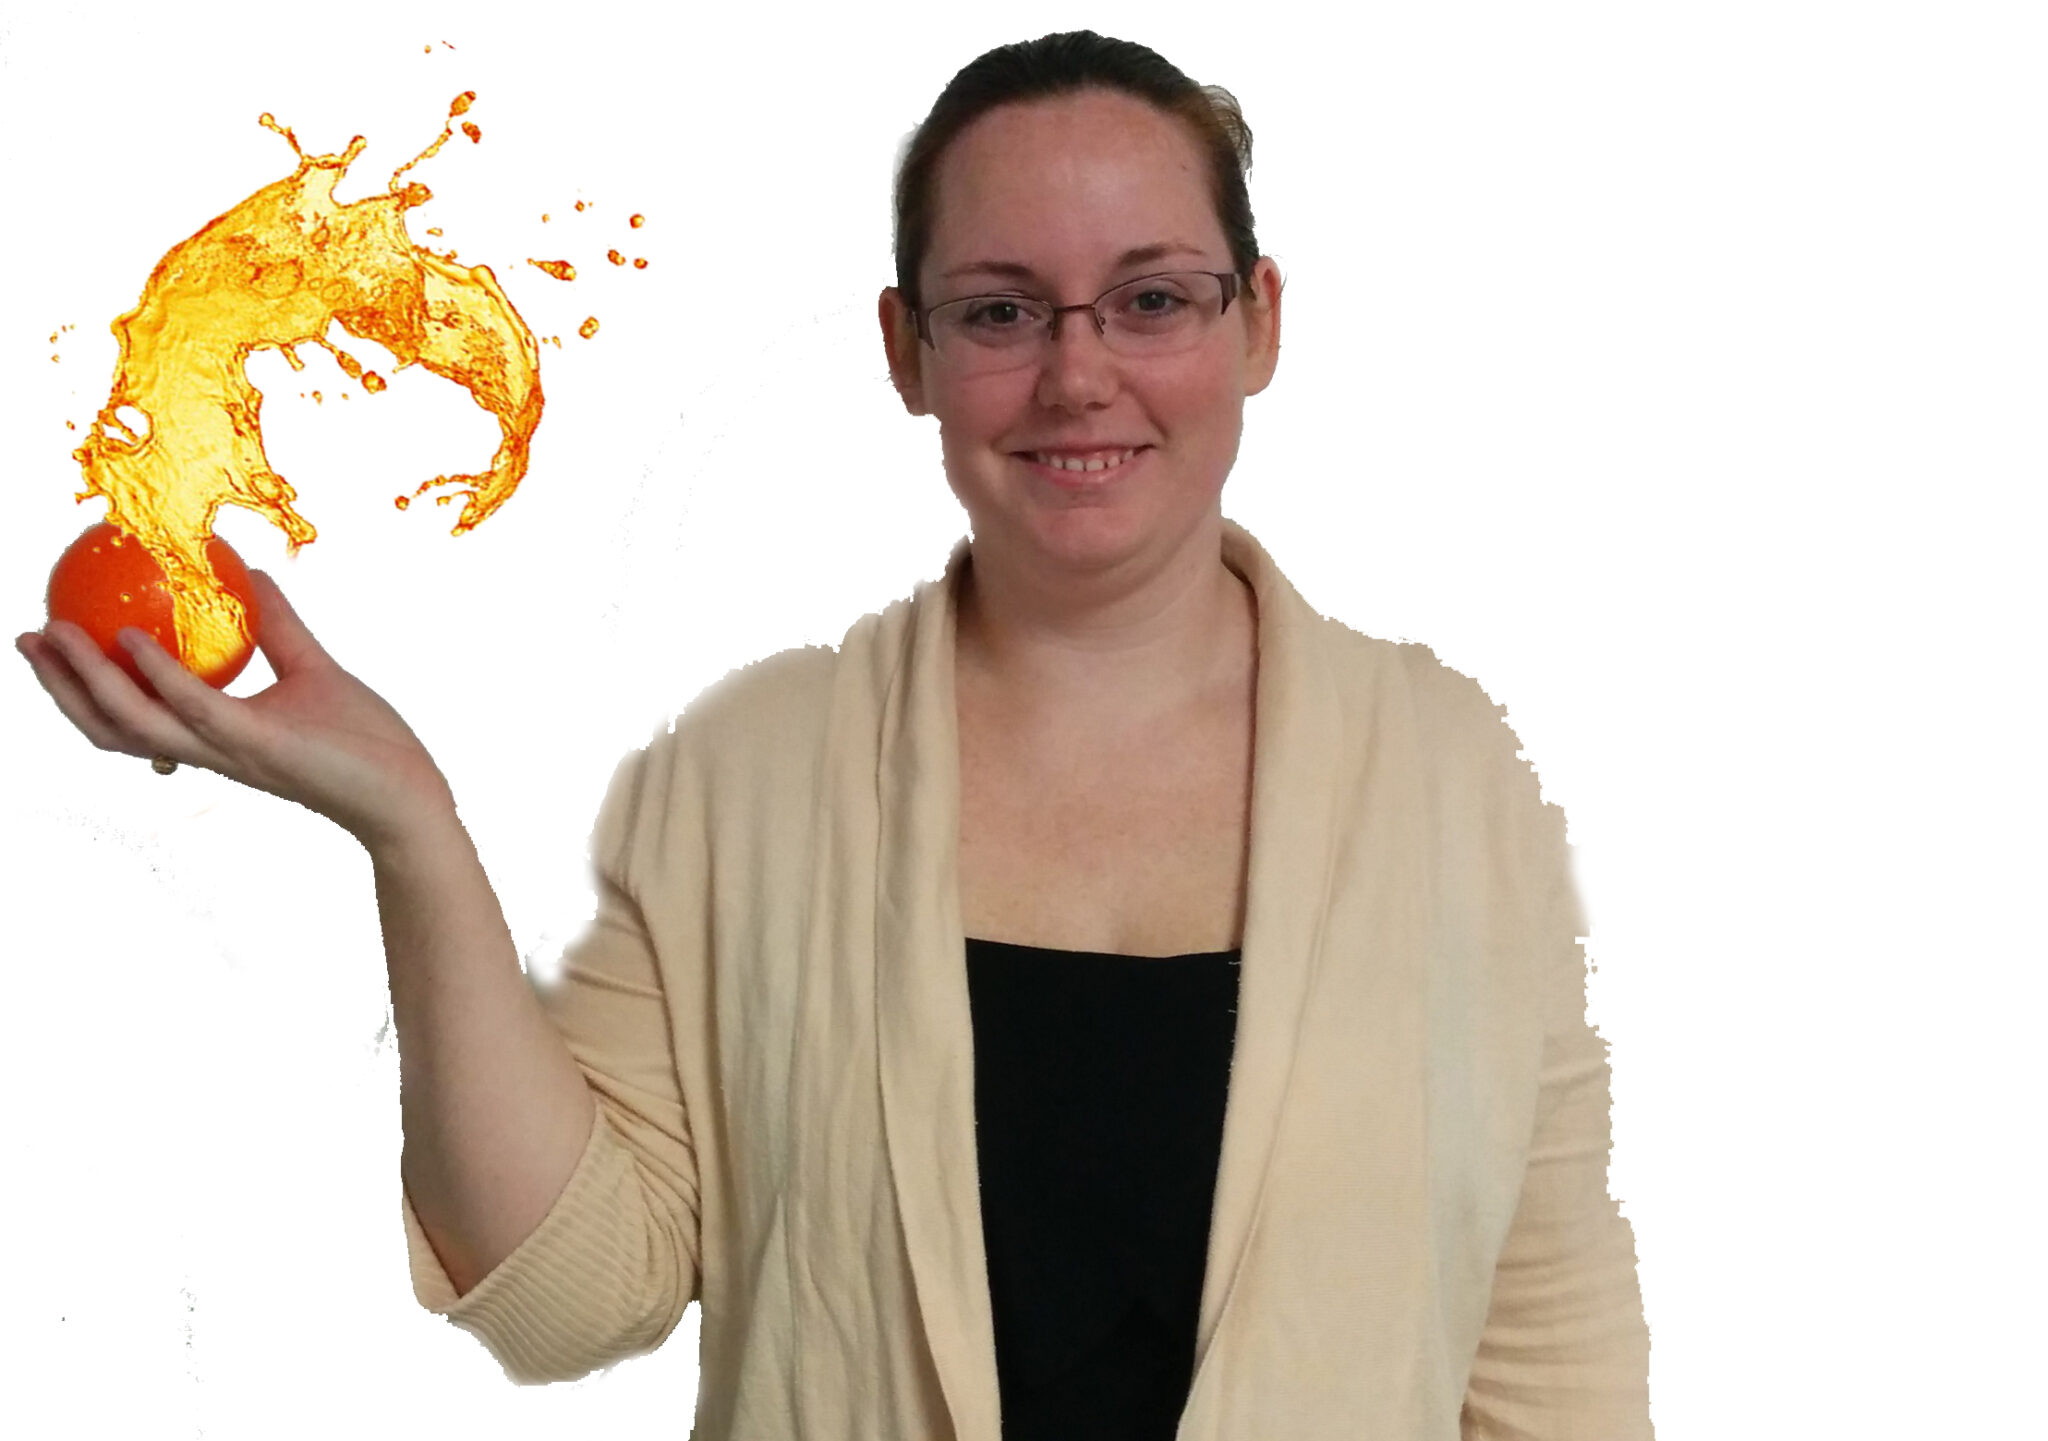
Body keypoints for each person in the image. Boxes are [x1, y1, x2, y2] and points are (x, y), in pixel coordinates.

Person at [16, 30, 1653, 1441]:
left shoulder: (1457, 784)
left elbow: (1552, 1372)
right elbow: (571, 1294)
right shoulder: (752, 775)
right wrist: (410, 826)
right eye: (1001, 312)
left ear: (1258, 321)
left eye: (1151, 298)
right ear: (906, 351)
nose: (1079, 373)